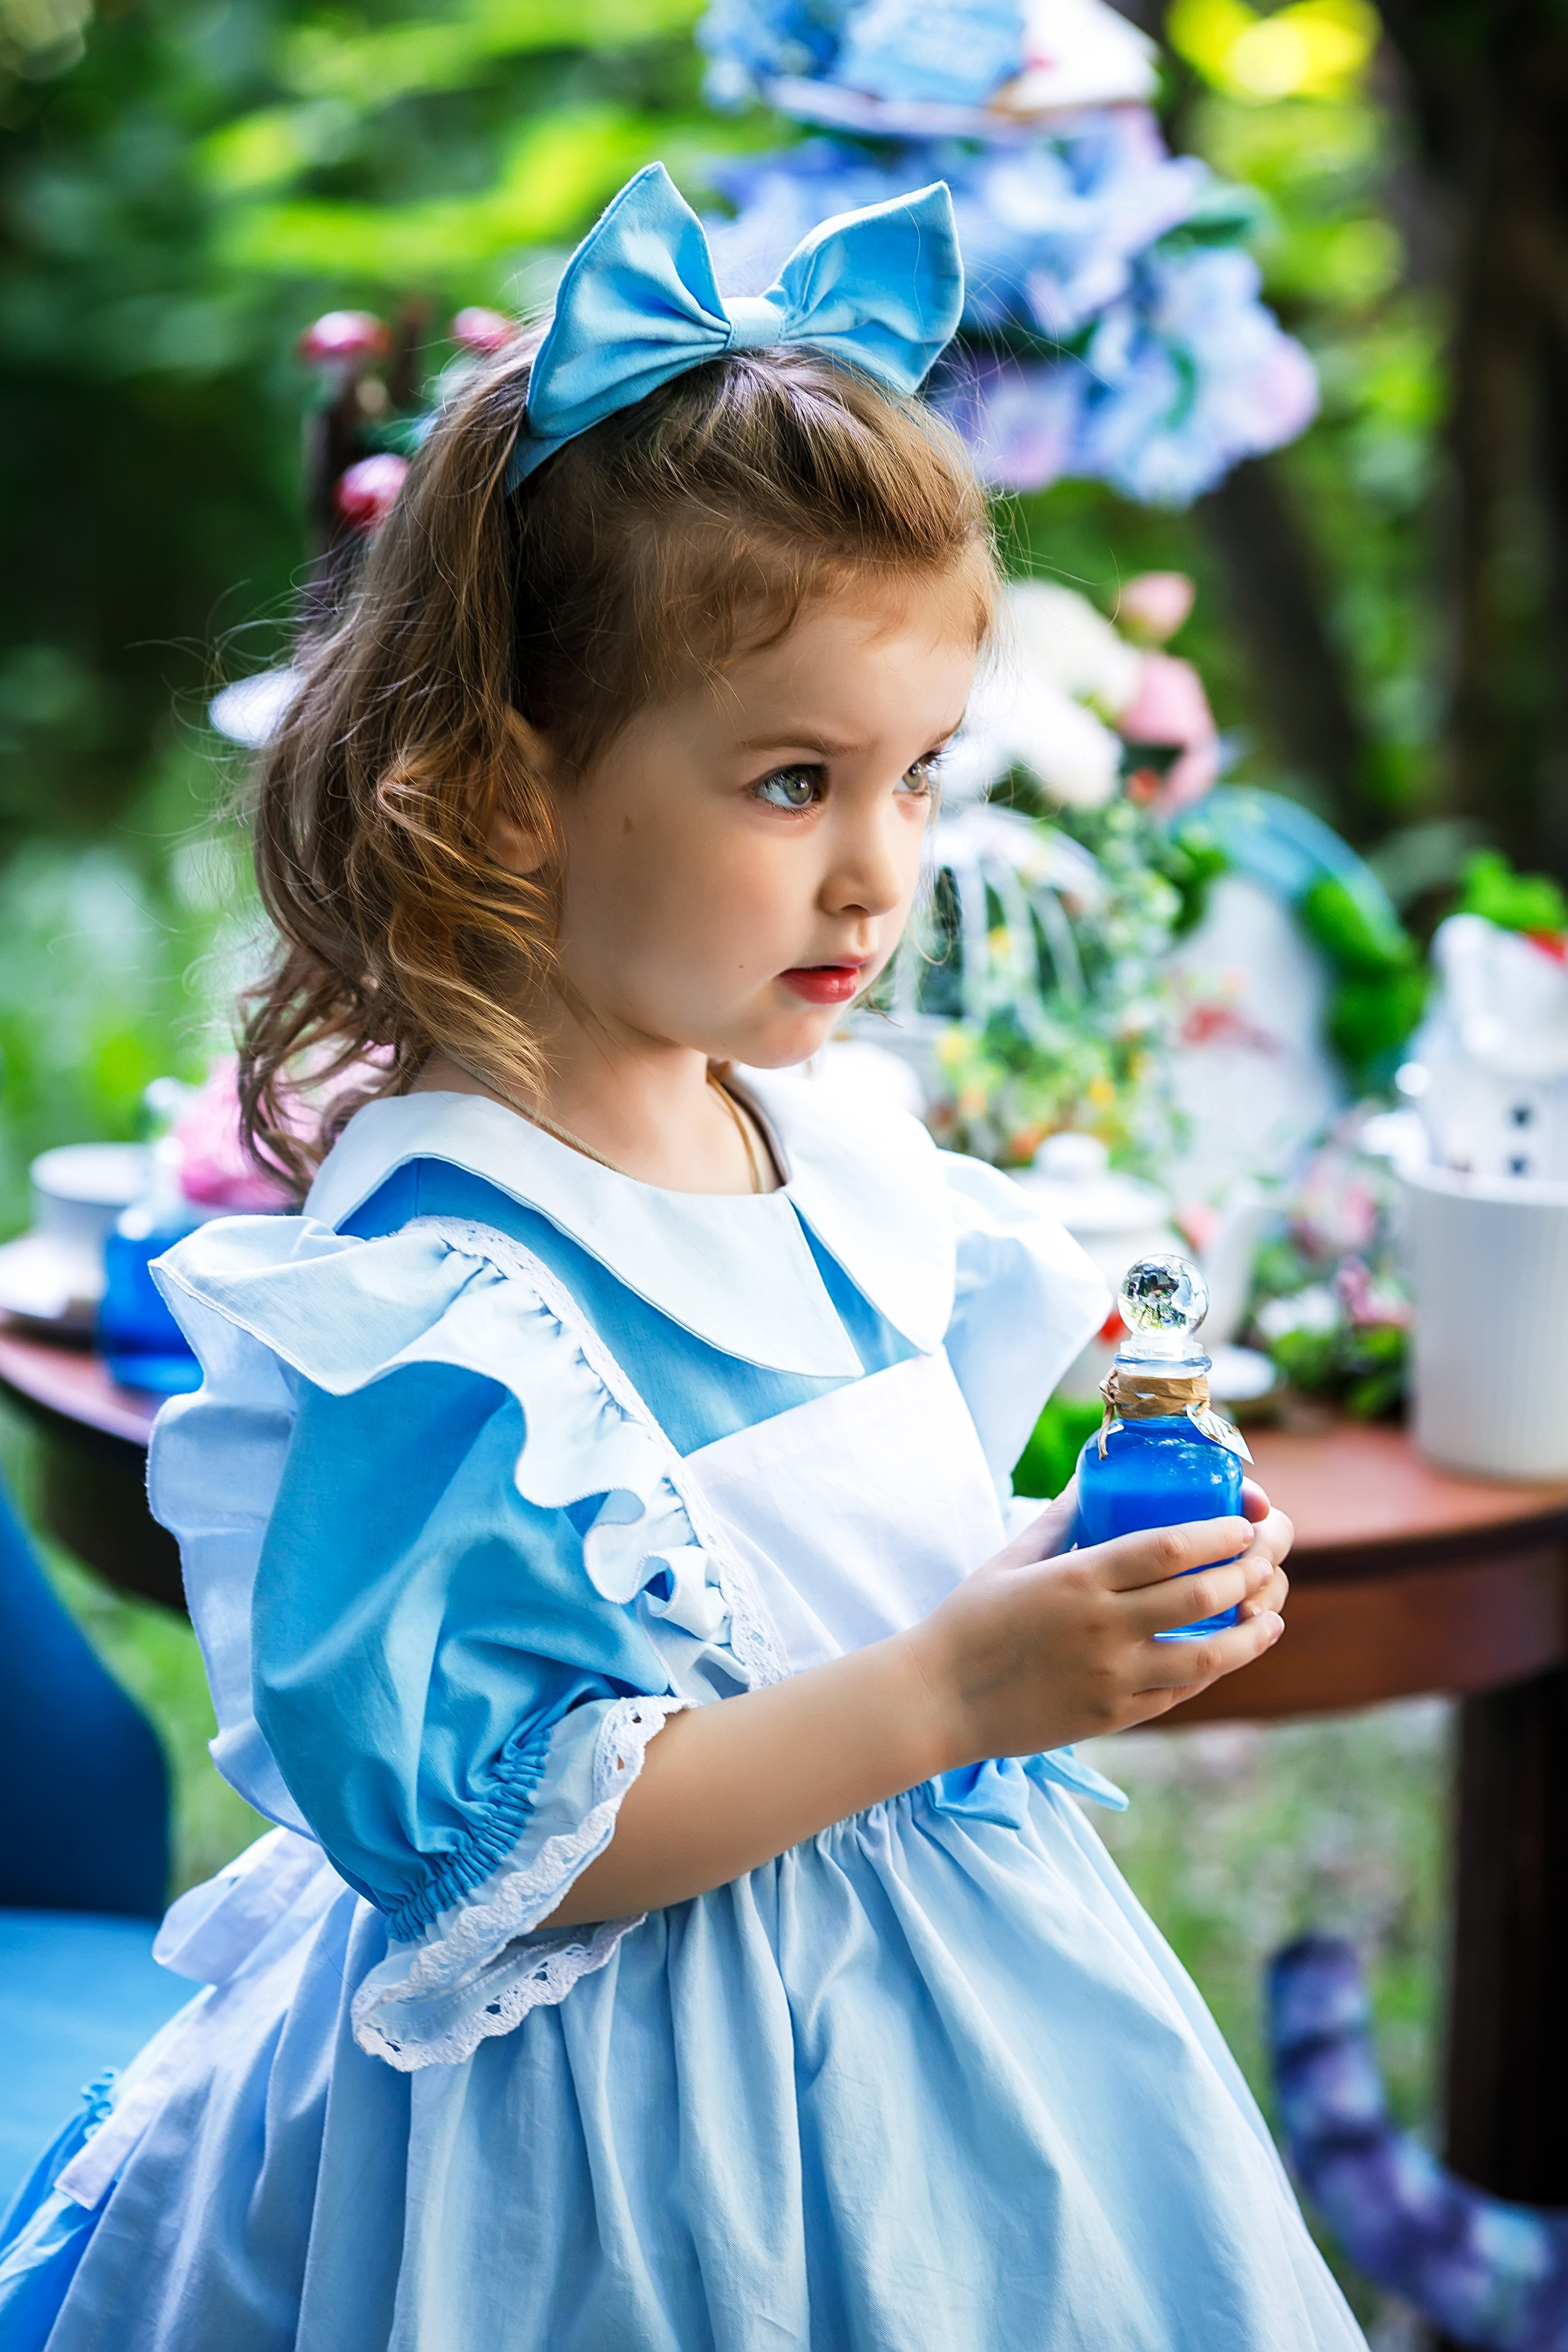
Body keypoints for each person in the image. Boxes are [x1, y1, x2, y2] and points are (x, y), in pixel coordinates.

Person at [0, 166, 1366, 2351]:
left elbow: (803, 1595)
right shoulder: (448, 1292)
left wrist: (1056, 1583)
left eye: (918, 777)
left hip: (950, 2049)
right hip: (621, 2143)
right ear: (511, 788)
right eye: (792, 782)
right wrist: (962, 1691)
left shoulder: (822, 1156)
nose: (878, 875)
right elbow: (492, 1846)